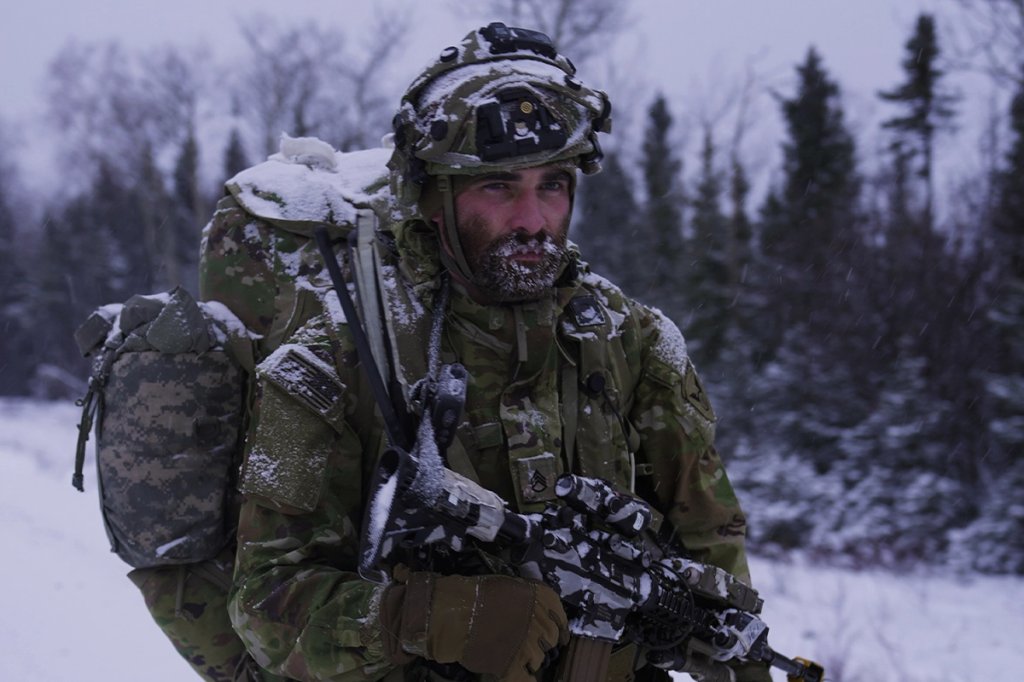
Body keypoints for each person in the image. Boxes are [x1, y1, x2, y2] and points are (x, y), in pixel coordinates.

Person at [228, 22, 770, 682]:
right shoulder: (340, 355)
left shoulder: (633, 341)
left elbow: (713, 554)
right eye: (498, 187)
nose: (533, 222)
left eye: (553, 186)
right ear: (432, 199)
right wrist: (421, 616)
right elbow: (263, 604)